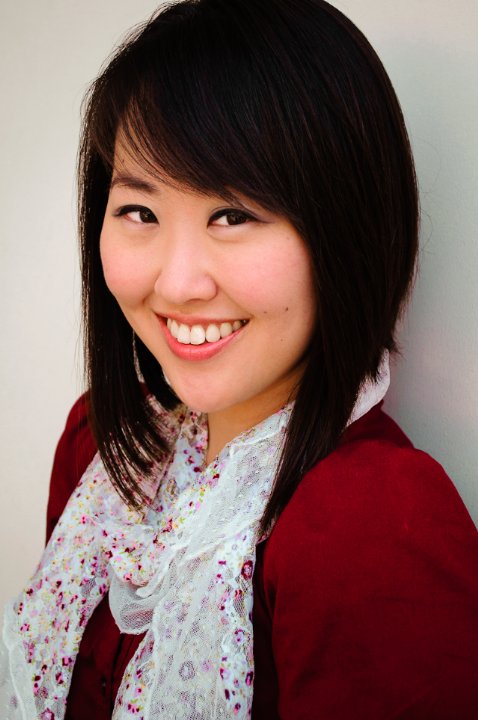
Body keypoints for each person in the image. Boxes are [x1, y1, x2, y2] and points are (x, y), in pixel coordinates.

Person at [2, 0, 478, 717]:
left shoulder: (374, 522)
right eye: (139, 212)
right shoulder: (102, 442)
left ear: (346, 230)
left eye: (233, 215)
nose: (176, 284)